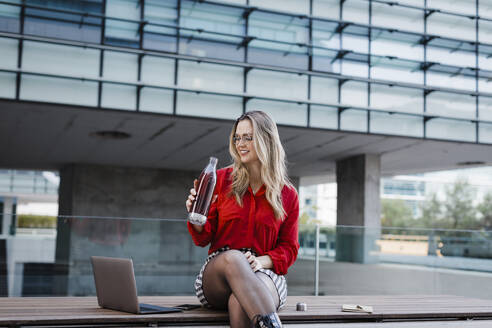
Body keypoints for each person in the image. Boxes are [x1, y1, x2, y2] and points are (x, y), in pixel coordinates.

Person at [185, 111, 299, 328]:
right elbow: (203, 238)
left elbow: (289, 249)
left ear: (267, 140)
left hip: (265, 273)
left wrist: (260, 261)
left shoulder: (288, 195)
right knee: (234, 258)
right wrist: (196, 218)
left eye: (248, 137)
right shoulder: (221, 180)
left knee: (240, 301)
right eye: (237, 137)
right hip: (219, 271)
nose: (240, 143)